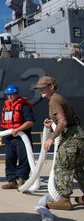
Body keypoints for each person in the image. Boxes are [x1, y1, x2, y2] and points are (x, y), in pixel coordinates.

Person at [35, 76, 84, 210]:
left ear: (51, 86)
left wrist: (51, 137)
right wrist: (53, 123)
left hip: (71, 137)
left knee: (62, 166)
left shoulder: (54, 100)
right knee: (79, 168)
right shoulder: (57, 98)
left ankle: (64, 200)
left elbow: (63, 122)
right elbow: (66, 119)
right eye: (39, 88)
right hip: (78, 134)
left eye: (43, 87)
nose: (40, 90)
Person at [0, 84, 35, 189]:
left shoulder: (24, 106)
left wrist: (18, 130)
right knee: (9, 158)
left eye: (13, 94)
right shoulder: (6, 106)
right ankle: (12, 180)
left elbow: (30, 122)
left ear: (17, 94)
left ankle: (22, 179)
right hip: (9, 137)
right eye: (8, 95)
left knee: (23, 157)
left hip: (22, 137)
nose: (10, 97)